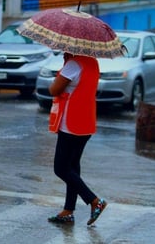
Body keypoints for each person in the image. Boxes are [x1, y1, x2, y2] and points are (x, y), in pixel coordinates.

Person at [47, 52, 107, 225]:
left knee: (61, 168)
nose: (63, 50)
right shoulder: (92, 62)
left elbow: (54, 89)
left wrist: (62, 70)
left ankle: (95, 201)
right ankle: (68, 210)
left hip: (71, 123)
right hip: (86, 122)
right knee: (73, 167)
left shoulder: (73, 65)